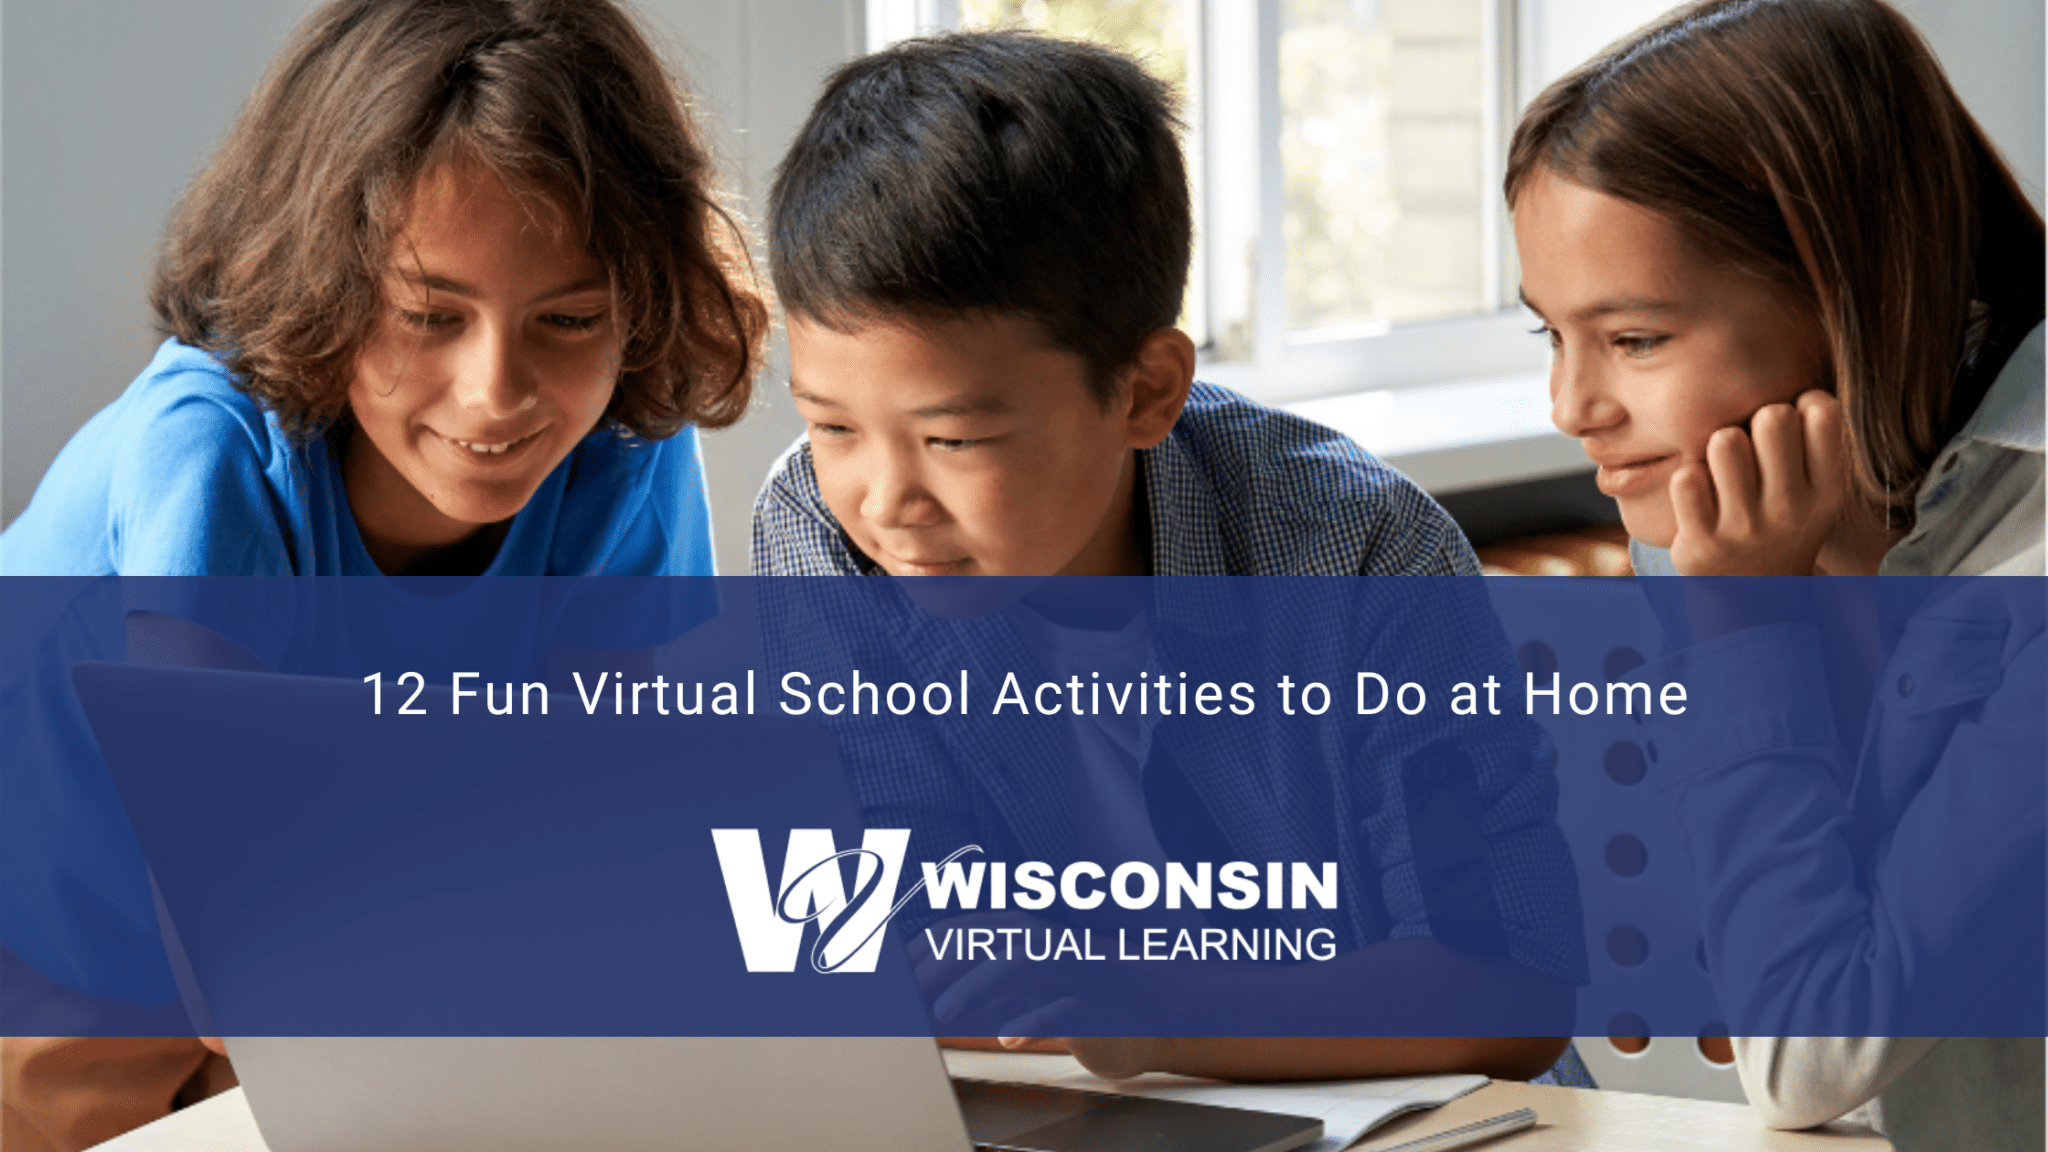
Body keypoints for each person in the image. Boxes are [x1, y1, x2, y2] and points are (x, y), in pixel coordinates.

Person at [0, 1, 768, 1147]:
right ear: (326, 277)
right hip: (56, 962)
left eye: (569, 318)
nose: (495, 393)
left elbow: (598, 804)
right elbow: (226, 931)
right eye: (426, 313)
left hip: (332, 950)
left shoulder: (620, 448)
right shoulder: (210, 450)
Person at [752, 30, 1586, 1085]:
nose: (884, 500)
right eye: (832, 426)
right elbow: (865, 939)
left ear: (1146, 392)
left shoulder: (1358, 550)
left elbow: (1502, 994)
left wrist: (1143, 1007)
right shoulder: (813, 527)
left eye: (952, 440)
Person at [1510, 0, 2043, 1147]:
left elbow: (1808, 1055)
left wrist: (1743, 625)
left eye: (1635, 339)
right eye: (1547, 335)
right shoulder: (1745, 526)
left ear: (1856, 293)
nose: (1571, 408)